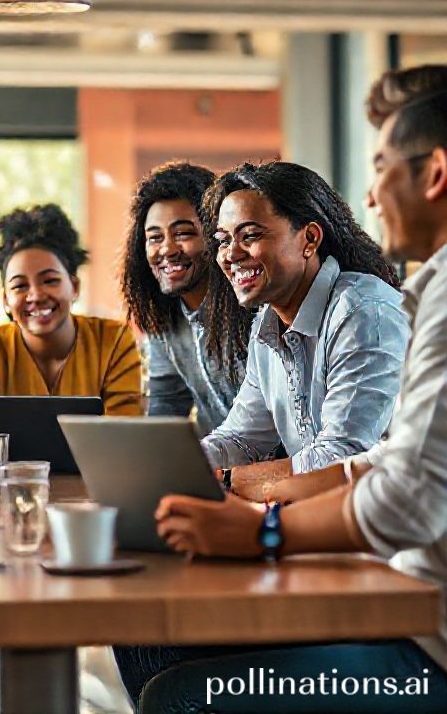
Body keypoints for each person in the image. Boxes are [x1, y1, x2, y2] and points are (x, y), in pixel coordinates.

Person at [133, 83, 447, 713]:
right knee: (144, 641)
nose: (371, 195)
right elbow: (256, 434)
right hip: (393, 594)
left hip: (420, 641)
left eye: (382, 168)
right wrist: (162, 471)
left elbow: (386, 483)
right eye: (223, 240)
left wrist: (259, 527)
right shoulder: (272, 324)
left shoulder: (370, 308)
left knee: (181, 693)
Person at [199, 161, 409, 502]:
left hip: (392, 529)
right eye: (224, 240)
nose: (232, 254)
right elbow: (241, 439)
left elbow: (340, 460)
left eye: (250, 236)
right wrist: (179, 467)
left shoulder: (363, 311)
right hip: (330, 519)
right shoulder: (266, 325)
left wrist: (226, 479)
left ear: (309, 239)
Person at [0, 203, 142, 431]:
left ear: (74, 287)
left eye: (50, 280)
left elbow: (123, 431)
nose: (36, 295)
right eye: (20, 286)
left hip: (95, 468)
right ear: (5, 300)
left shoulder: (113, 339)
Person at [120, 160, 250, 435]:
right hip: (214, 465)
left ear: (217, 236)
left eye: (183, 233)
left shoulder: (252, 307)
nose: (166, 249)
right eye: (154, 238)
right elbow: (166, 405)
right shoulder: (163, 317)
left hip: (274, 469)